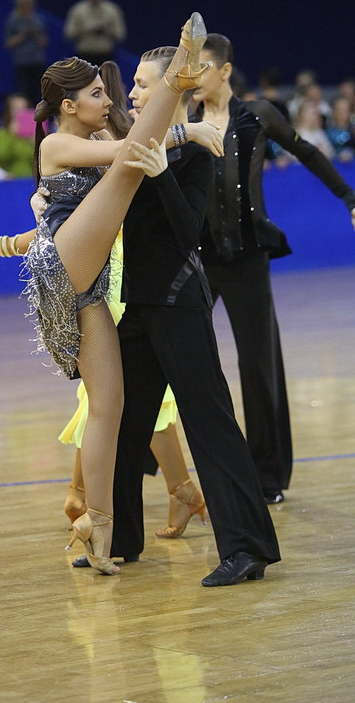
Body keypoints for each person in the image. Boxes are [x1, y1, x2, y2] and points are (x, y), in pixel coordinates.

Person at [0, 12, 212, 576]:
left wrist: (2, 245)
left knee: (109, 407)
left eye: (108, 91)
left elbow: (114, 167)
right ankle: (179, 70)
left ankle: (98, 528)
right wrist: (189, 131)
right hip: (61, 269)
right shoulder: (55, 144)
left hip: (89, 282)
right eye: (98, 94)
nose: (109, 100)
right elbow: (129, 156)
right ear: (68, 105)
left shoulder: (101, 136)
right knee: (128, 170)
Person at [103, 45, 281, 586]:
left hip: (179, 302)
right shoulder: (139, 143)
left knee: (210, 423)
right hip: (139, 305)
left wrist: (162, 174)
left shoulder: (198, 156)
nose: (132, 92)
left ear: (172, 88)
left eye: (142, 84)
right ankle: (123, 540)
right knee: (124, 424)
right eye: (133, 83)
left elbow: (187, 235)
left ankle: (247, 549)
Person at [191, 33, 355, 505]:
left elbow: (310, 155)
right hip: (199, 258)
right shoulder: (185, 123)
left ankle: (268, 476)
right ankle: (157, 466)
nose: (193, 76)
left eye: (202, 67)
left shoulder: (258, 114)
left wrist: (352, 202)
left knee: (259, 366)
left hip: (248, 257)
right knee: (172, 355)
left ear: (225, 70)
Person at [64, 0, 126, 66]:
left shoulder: (112, 10)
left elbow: (120, 35)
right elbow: (68, 34)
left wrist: (106, 30)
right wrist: (86, 30)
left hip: (105, 56)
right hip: (84, 56)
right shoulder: (78, 10)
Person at [4, 0, 47, 106]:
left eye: (29, 4)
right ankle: (25, 116)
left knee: (38, 93)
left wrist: (34, 33)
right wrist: (22, 35)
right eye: (24, 4)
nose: (27, 7)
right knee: (23, 93)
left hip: (37, 61)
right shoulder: (13, 19)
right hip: (21, 62)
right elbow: (8, 43)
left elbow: (44, 42)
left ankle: (38, 115)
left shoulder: (38, 19)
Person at [0, 94, 36, 178]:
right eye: (16, 108)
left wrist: (35, 144)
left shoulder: (32, 134)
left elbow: (41, 162)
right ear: (9, 111)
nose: (20, 112)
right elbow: (3, 157)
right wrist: (12, 135)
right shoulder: (3, 133)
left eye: (23, 108)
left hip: (31, 180)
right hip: (12, 180)